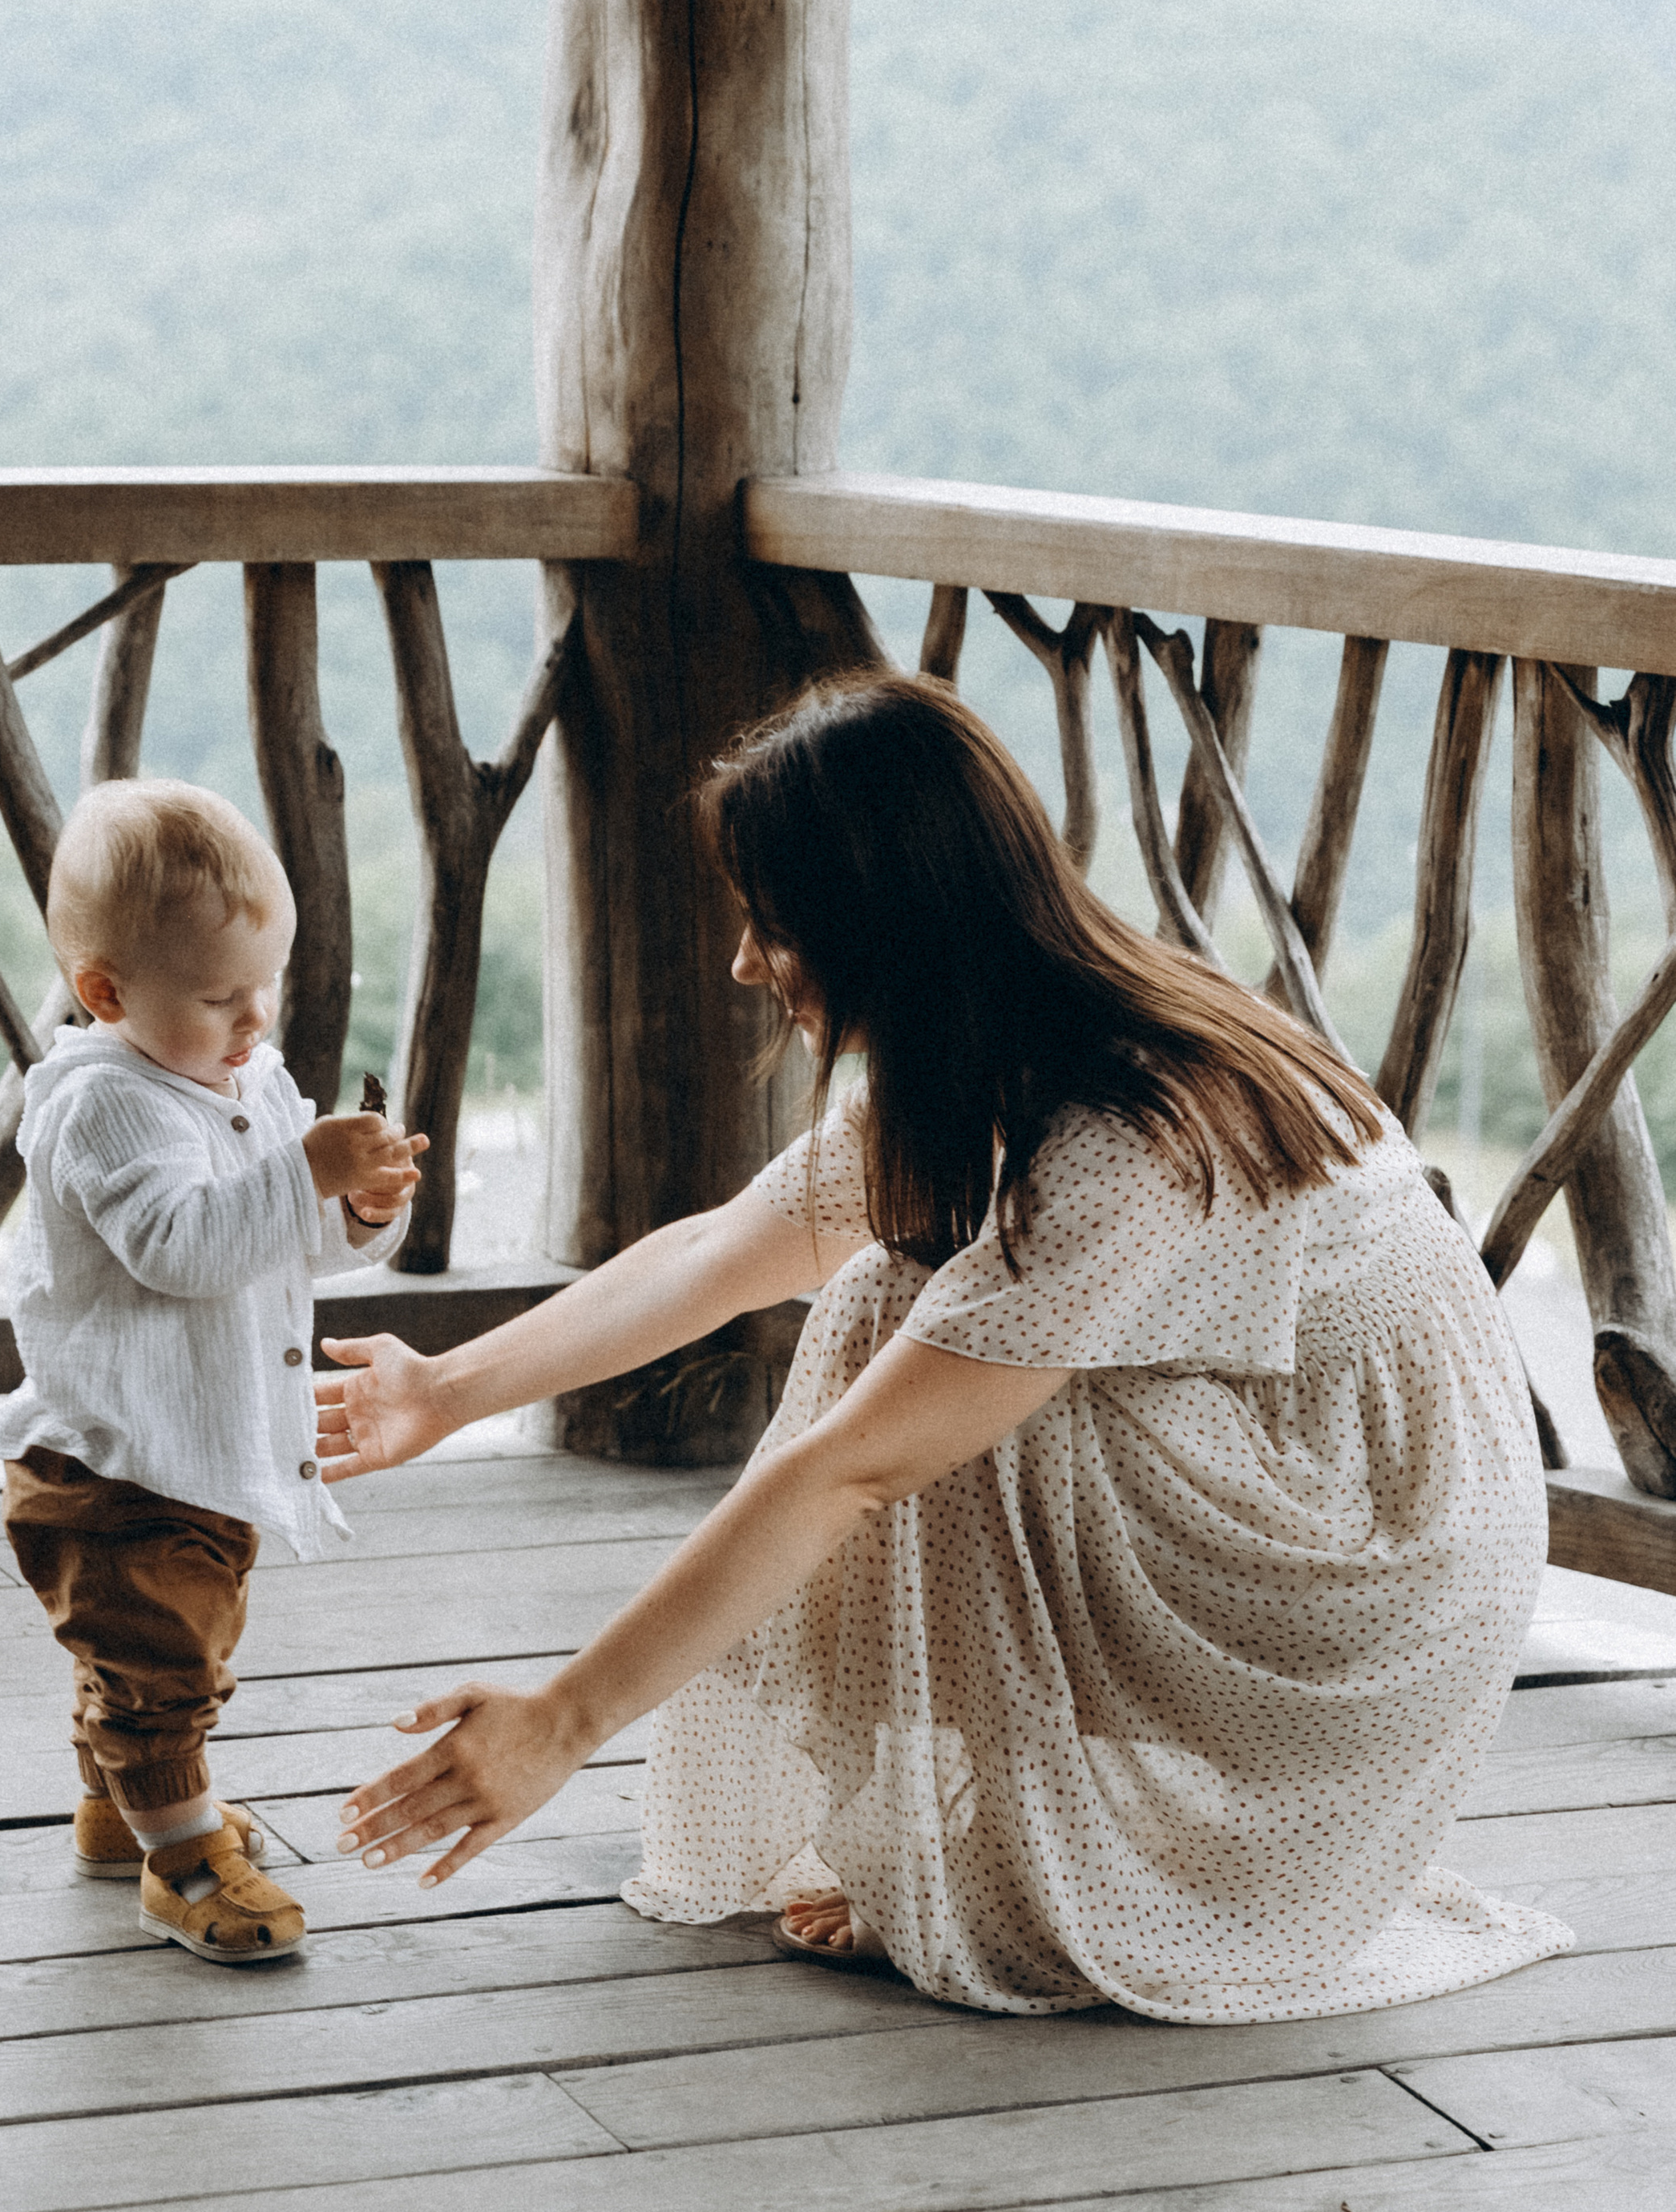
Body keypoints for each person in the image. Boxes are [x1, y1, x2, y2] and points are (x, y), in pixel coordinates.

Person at [318, 673, 1571, 2024]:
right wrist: (442, 1393)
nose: (744, 963)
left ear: (887, 927)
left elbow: (846, 1473)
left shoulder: (1124, 1130)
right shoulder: (1031, 1017)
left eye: (777, 926)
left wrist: (561, 1723)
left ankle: (988, 1871)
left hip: (1377, 1586)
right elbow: (725, 1250)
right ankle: (967, 1844)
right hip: (1322, 1500)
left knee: (891, 1331)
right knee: (891, 1303)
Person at [1, 778, 424, 1963]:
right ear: (105, 992)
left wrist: (361, 1209)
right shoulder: (99, 1105)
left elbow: (290, 1243)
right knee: (164, 1663)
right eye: (218, 997)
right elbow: (183, 1249)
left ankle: (118, 1806)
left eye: (265, 986)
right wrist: (307, 1175)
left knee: (162, 1649)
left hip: (210, 1441)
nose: (252, 1019)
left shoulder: (250, 1075)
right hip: (112, 1461)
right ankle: (181, 1858)